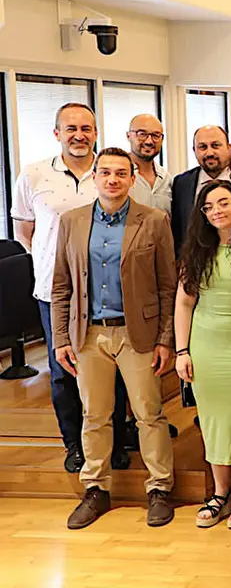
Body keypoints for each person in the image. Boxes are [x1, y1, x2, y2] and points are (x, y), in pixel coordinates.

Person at [52, 147, 178, 530]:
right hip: (88, 334)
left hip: (136, 333)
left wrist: (166, 339)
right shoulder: (72, 221)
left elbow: (167, 285)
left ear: (131, 179)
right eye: (105, 172)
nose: (112, 179)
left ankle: (159, 488)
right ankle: (96, 488)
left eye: (121, 173)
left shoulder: (154, 220)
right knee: (95, 415)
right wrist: (60, 338)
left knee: (149, 414)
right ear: (94, 177)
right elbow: (61, 286)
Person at [12, 103, 129, 474]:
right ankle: (75, 444)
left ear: (96, 132)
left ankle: (116, 442)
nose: (79, 135)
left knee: (116, 367)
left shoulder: (110, 173)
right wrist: (56, 266)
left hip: (109, 290)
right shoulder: (32, 176)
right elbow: (25, 232)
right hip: (55, 292)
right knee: (64, 368)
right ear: (56, 133)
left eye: (87, 128)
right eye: (71, 128)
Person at [174, 180, 231, 529]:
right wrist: (183, 350)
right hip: (206, 344)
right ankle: (220, 492)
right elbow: (184, 303)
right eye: (208, 207)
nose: (217, 211)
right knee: (212, 422)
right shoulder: (196, 250)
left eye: (223, 203)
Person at [172, 125, 231, 250]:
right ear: (194, 150)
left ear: (229, 148)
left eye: (216, 145)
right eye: (202, 147)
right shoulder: (182, 183)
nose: (210, 152)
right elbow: (178, 230)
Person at [127, 114, 172, 216]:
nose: (149, 141)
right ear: (128, 136)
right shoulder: (119, 176)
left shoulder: (166, 179)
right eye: (142, 134)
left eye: (156, 135)